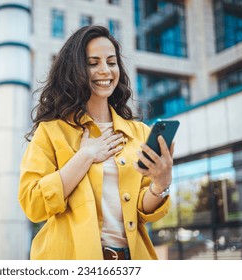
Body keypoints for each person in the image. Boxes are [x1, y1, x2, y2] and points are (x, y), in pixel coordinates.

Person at [18, 25, 174, 260]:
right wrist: (85, 156)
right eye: (93, 63)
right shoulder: (50, 131)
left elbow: (143, 210)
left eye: (111, 63)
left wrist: (161, 185)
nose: (105, 71)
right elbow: (33, 204)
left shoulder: (139, 132)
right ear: (75, 70)